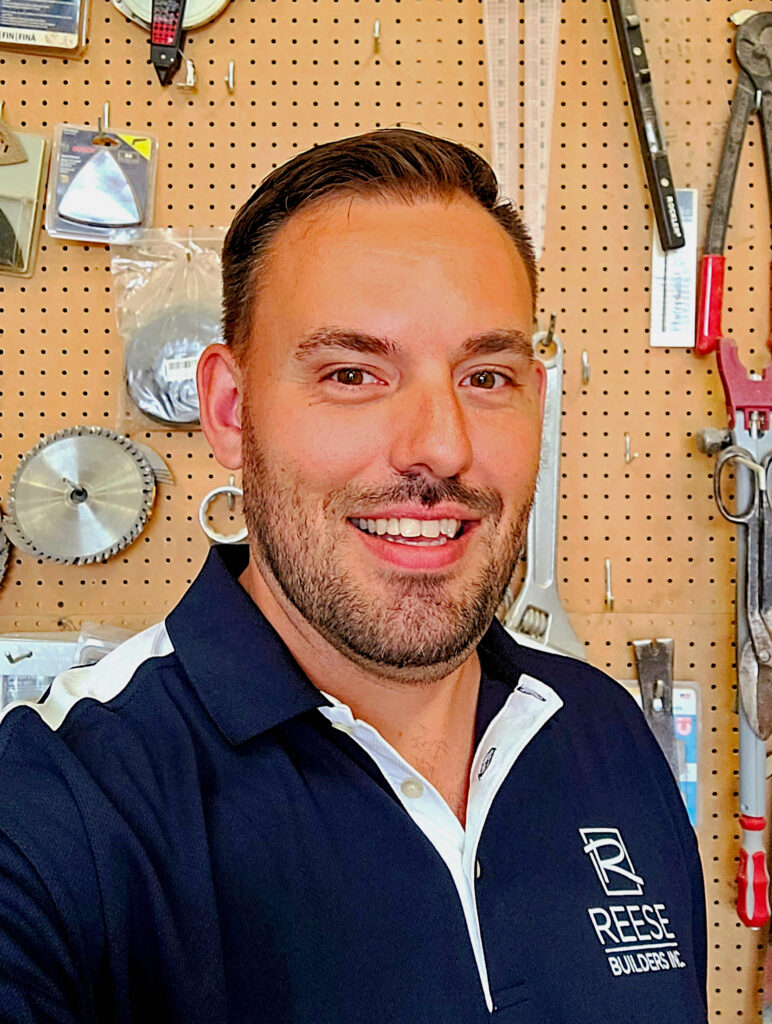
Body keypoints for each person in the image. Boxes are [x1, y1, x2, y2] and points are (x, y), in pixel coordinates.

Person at [0, 129, 707, 1024]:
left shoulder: (608, 737)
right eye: (352, 373)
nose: (441, 447)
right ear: (229, 409)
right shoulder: (61, 808)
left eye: (486, 375)